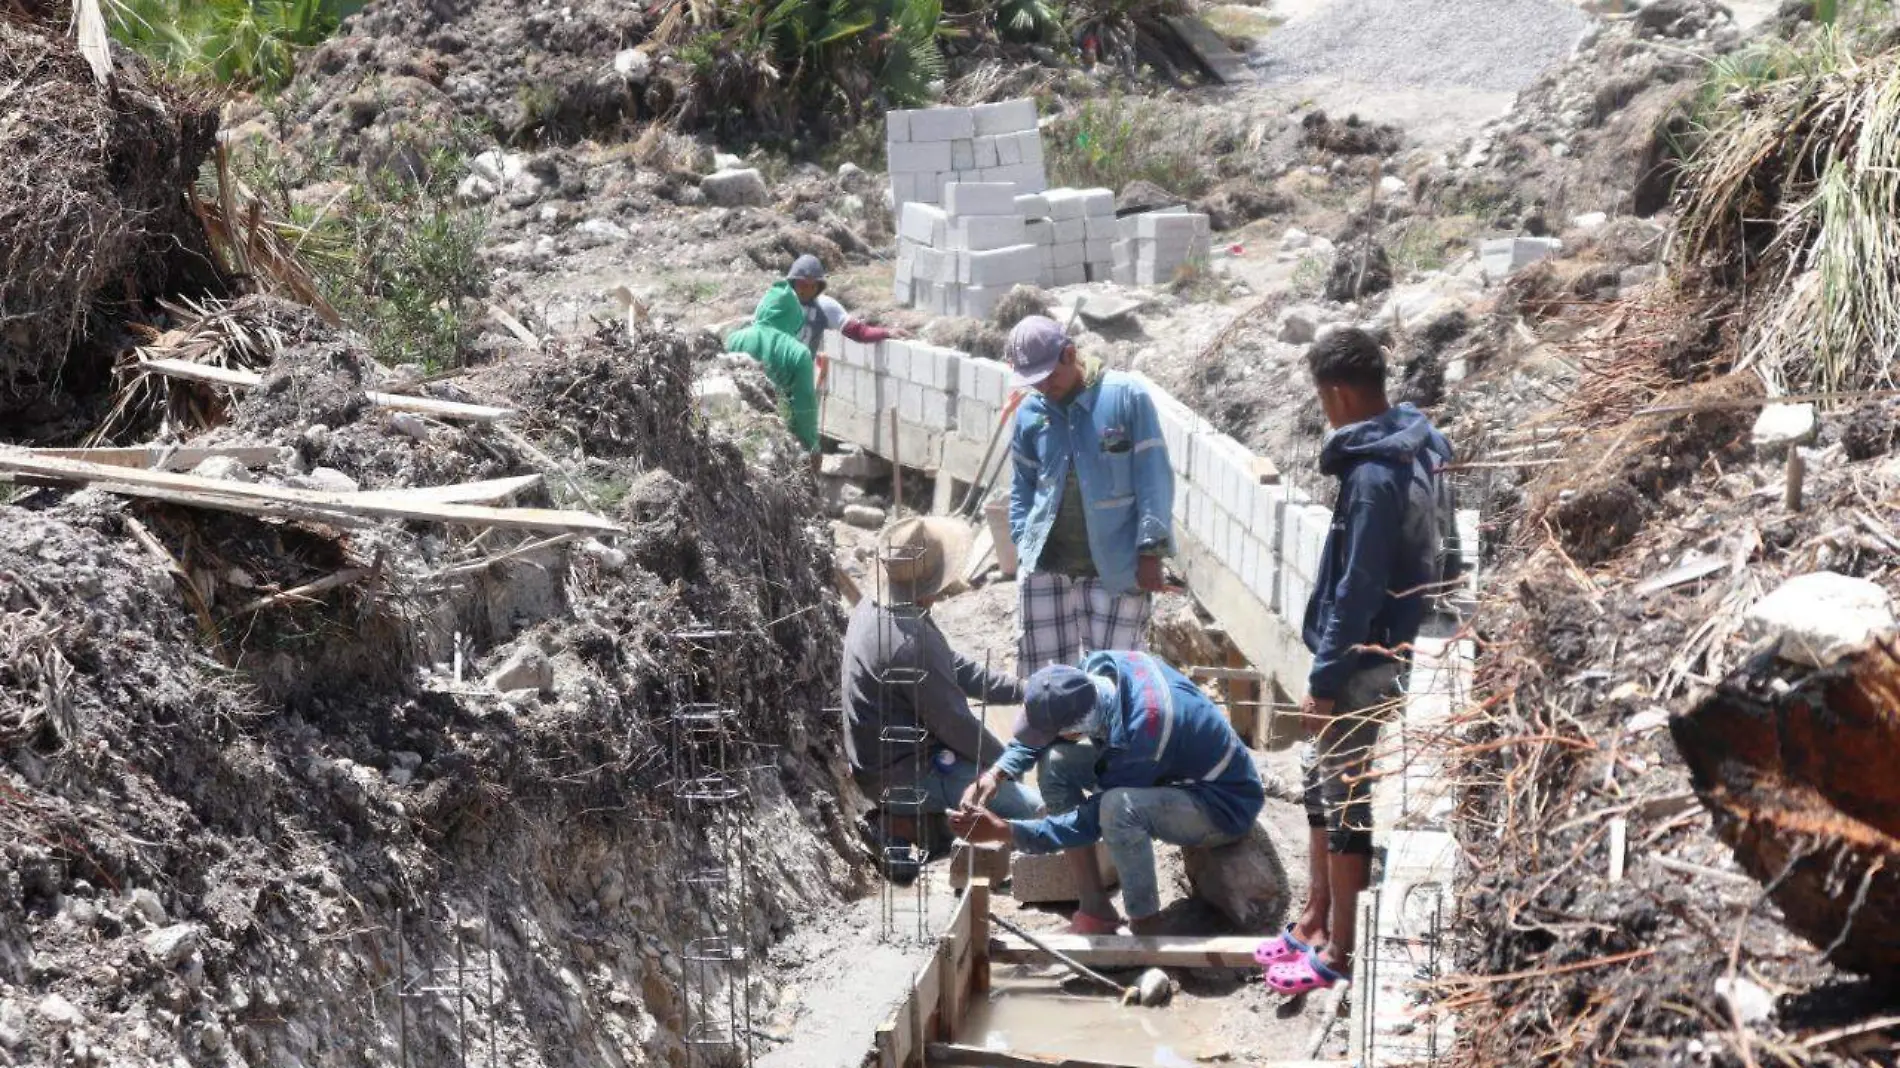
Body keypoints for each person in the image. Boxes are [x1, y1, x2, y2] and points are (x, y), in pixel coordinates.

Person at [1254, 327, 1453, 995]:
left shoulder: (1372, 476)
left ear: (1337, 393)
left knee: (1346, 801)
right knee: (1319, 782)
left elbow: (1358, 586)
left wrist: (1325, 677)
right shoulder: (1413, 443)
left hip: (1361, 663)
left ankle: (1337, 951)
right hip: (1374, 650)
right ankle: (1315, 915)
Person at [952, 651, 1263, 936]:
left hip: (1221, 805)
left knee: (1118, 809)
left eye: (1058, 731)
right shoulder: (1098, 672)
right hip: (1174, 772)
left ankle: (1147, 925)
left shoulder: (1144, 734)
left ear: (1076, 728)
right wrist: (996, 774)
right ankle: (1095, 907)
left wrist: (1006, 831)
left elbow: (1090, 821)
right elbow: (1044, 735)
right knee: (1056, 762)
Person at [843, 516, 1043, 878]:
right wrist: (1005, 770)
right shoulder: (910, 642)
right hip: (903, 773)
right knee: (1031, 813)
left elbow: (955, 669)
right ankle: (902, 825)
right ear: (932, 583)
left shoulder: (878, 607)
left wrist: (1020, 689)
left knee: (1000, 799)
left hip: (882, 762)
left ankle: (914, 824)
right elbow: (957, 726)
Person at [1005, 316, 1173, 678]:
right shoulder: (1031, 413)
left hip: (1115, 569)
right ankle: (1054, 737)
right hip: (1046, 569)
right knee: (1048, 685)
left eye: (1049, 376)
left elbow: (1153, 477)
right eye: (1034, 380)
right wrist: (1022, 540)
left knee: (1115, 681)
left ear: (1070, 354)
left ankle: (1108, 739)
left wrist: (1150, 552)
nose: (1044, 387)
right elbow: (1022, 484)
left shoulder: (1125, 397)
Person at [724, 279, 820, 459]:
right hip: (775, 443)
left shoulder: (733, 339)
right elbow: (804, 408)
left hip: (735, 435)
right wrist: (812, 446)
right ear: (794, 317)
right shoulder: (798, 353)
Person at [786, 254, 910, 354]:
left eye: (812, 286)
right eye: (802, 285)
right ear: (793, 283)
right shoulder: (780, 302)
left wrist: (887, 333)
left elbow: (858, 332)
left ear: (819, 287)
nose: (806, 290)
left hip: (799, 375)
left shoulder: (825, 307)